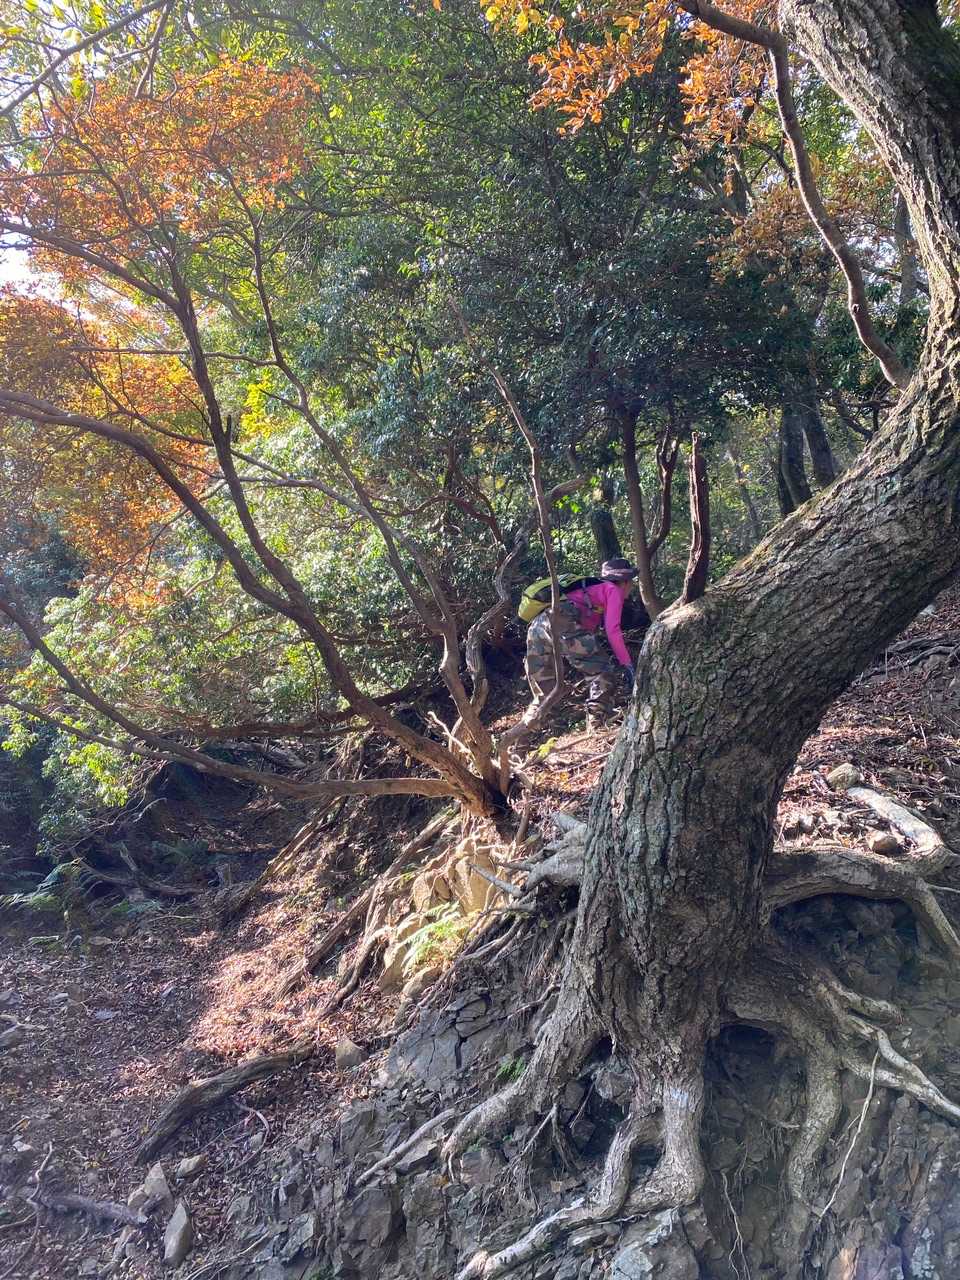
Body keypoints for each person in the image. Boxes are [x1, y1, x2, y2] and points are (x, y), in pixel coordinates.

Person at [523, 557, 640, 733]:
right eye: (631, 582)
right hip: (561, 621)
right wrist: (627, 663)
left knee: (544, 689)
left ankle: (522, 739)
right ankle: (597, 725)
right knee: (602, 672)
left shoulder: (591, 589)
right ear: (625, 582)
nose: (631, 587)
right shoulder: (612, 590)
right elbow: (613, 630)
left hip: (538, 625)